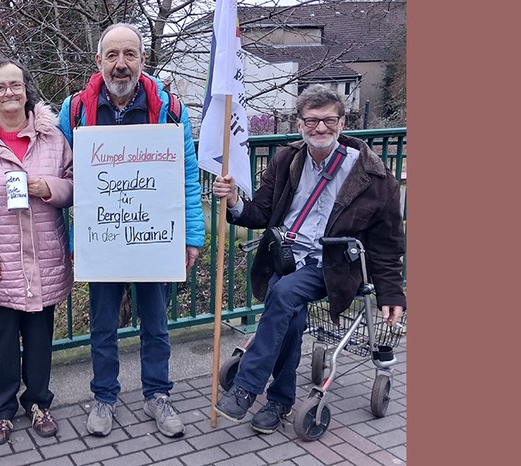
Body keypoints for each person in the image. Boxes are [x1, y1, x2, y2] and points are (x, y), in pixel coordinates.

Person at [212, 84, 406, 435]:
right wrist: (234, 201)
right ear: (299, 124)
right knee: (290, 318)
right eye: (312, 121)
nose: (321, 128)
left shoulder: (374, 176)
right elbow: (261, 212)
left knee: (284, 295)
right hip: (286, 257)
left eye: (329, 120)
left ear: (342, 121)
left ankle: (247, 386)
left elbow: (387, 242)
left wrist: (391, 293)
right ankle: (280, 402)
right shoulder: (287, 160)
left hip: (331, 265)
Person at [57, 23, 205, 438]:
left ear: (143, 59)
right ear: (99, 60)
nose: (121, 64)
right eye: (112, 55)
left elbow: (187, 176)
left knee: (156, 323)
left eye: (130, 55)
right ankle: (104, 397)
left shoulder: (170, 107)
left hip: (154, 239)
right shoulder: (75, 110)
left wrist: (192, 236)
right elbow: (63, 178)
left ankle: (158, 393)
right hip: (103, 240)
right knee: (102, 325)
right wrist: (76, 241)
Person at [0, 57, 73, 445]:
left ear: (27, 90)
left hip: (44, 260)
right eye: (0, 86)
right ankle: (1, 411)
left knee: (40, 339)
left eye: (16, 85)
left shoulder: (53, 138)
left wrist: (49, 188)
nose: (9, 92)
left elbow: (77, 185)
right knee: (0, 343)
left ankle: (38, 402)